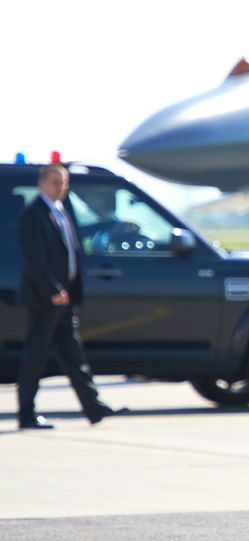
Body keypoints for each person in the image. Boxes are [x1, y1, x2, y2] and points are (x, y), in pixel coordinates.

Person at [17, 163, 127, 430]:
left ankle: (93, 406)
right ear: (41, 183)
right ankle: (27, 415)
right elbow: (35, 259)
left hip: (65, 297)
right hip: (47, 298)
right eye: (55, 182)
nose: (61, 187)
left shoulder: (62, 210)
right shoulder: (34, 214)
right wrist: (52, 290)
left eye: (64, 182)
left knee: (73, 354)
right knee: (36, 355)